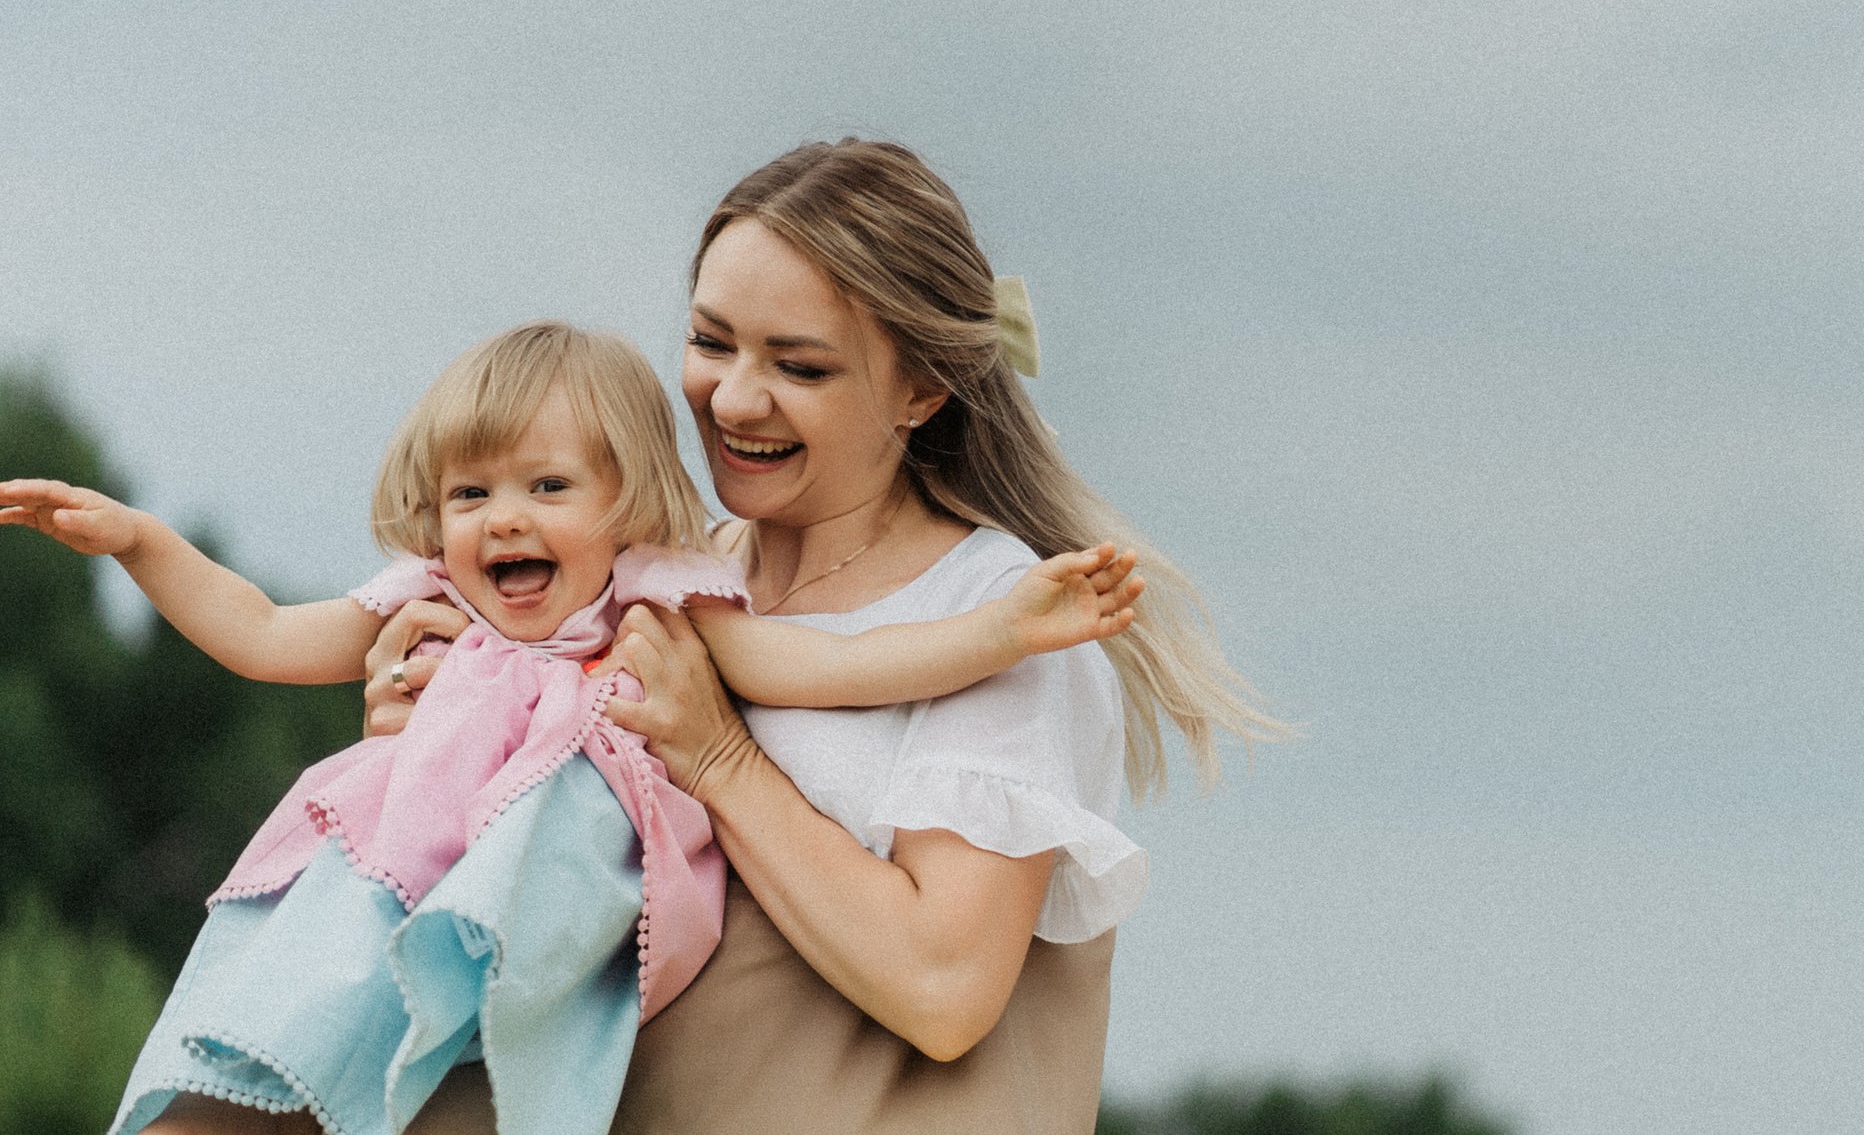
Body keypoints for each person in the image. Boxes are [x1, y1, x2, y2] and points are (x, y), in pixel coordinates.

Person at [0, 320, 1142, 1135]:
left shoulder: (660, 615)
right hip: (397, 893)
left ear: (627, 507)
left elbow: (842, 665)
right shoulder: (427, 609)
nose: (503, 521)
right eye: (470, 495)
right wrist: (140, 545)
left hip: (551, 908)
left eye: (547, 488)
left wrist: (1003, 631)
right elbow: (257, 630)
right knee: (279, 1027)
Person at [368, 139, 1286, 1135]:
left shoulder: (997, 622)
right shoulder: (654, 578)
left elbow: (944, 987)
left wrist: (718, 755)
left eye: (797, 365)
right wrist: (421, 747)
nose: (733, 398)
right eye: (712, 343)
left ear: (921, 390)